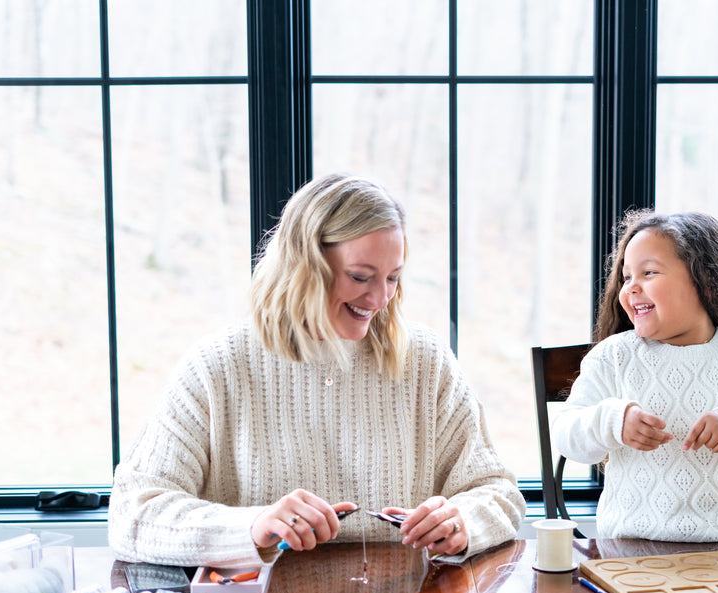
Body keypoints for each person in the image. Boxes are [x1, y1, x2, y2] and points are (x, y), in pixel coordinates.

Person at [108, 173, 525, 567]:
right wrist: (252, 527)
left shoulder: (426, 362)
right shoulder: (216, 368)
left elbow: (500, 493)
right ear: (304, 266)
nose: (380, 299)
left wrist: (461, 522)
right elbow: (131, 515)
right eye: (361, 276)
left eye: (393, 278)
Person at [553, 210, 718, 542]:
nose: (631, 288)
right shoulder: (613, 357)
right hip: (627, 555)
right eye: (626, 277)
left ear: (704, 279)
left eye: (648, 272)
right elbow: (565, 433)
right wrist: (613, 423)